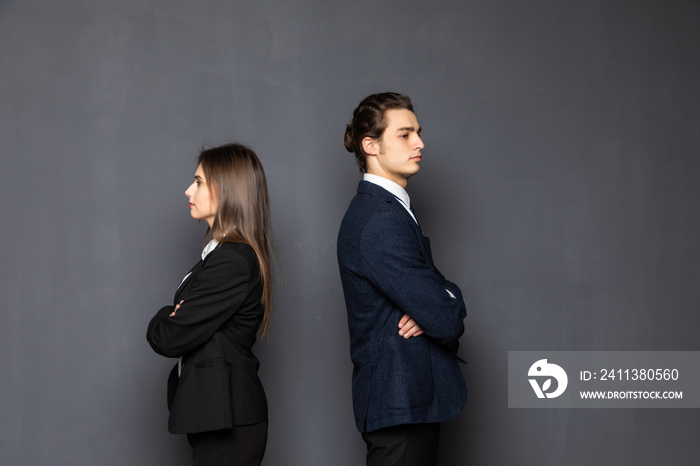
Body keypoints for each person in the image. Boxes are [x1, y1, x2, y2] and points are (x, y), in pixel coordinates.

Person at [337, 92, 467, 466]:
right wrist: (437, 305)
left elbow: (437, 296)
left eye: (418, 132)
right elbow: (443, 316)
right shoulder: (380, 219)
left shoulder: (388, 210)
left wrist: (437, 301)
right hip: (400, 401)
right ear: (370, 145)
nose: (420, 143)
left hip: (406, 399)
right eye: (405, 134)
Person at [147, 143, 272, 466]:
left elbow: (170, 336)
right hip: (218, 415)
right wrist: (179, 313)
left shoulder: (232, 260)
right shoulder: (220, 256)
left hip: (228, 418)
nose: (189, 189)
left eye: (199, 181)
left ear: (227, 190)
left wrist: (165, 315)